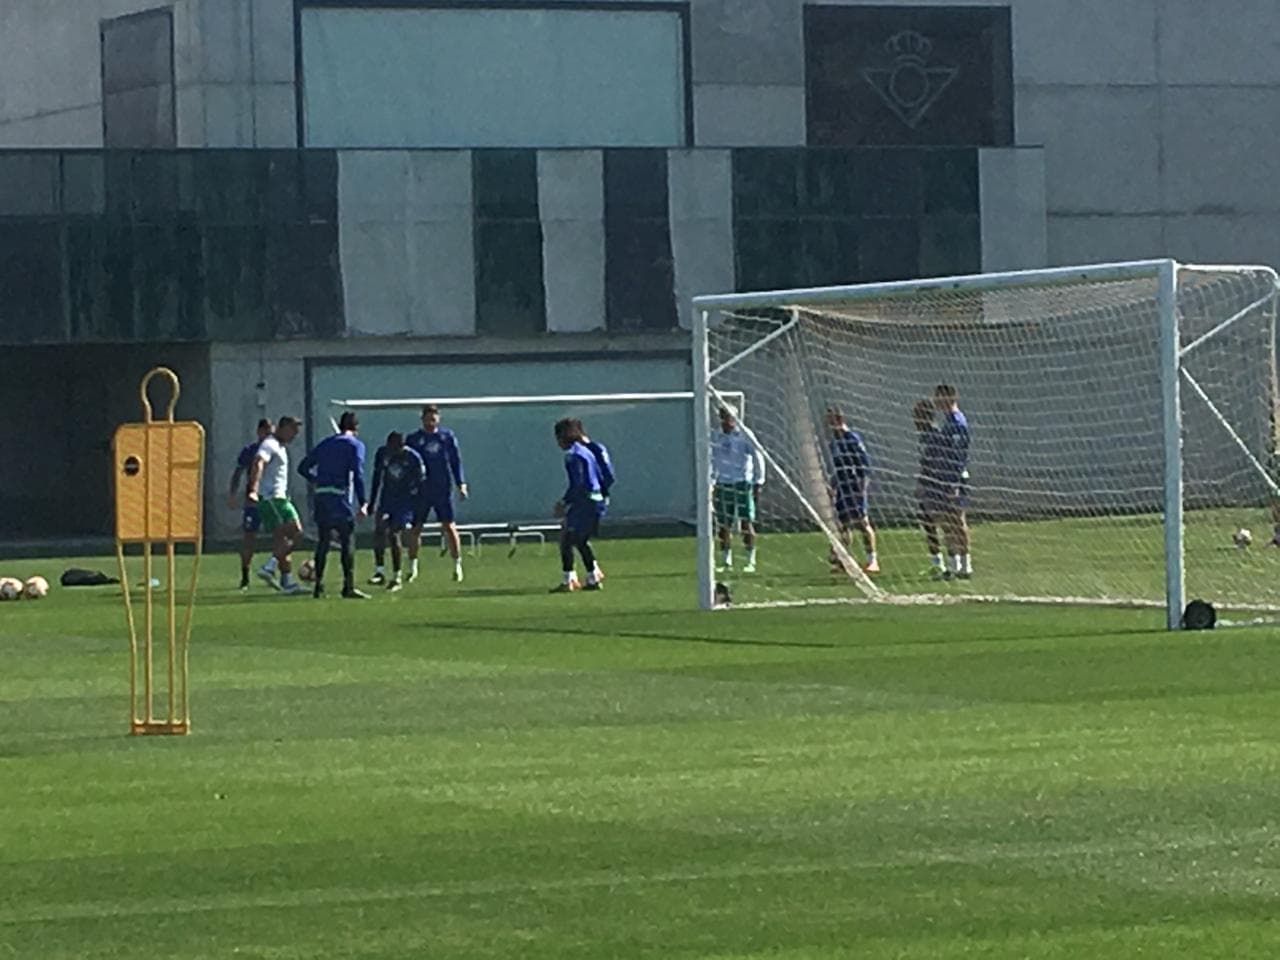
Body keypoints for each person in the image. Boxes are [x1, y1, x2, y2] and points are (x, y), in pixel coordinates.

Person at [297, 411, 369, 599]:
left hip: (321, 496)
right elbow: (358, 474)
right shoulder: (355, 446)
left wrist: (317, 480)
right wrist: (363, 502)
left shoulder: (326, 443)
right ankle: (348, 586)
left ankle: (318, 586)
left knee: (324, 541)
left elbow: (303, 467)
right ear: (357, 428)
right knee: (347, 541)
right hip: (339, 496)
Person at [406, 405, 468, 583]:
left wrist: (460, 483)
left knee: (449, 526)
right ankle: (412, 567)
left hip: (442, 488)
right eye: (428, 418)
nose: (431, 422)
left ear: (438, 419)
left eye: (434, 419)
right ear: (422, 419)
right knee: (416, 528)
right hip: (422, 490)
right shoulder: (414, 439)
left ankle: (457, 565)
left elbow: (455, 461)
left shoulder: (446, 437)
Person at [245, 415, 305, 595]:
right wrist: (253, 489)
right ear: (284, 427)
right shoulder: (270, 444)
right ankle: (269, 566)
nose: (295, 434)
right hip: (273, 499)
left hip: (277, 498)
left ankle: (286, 581)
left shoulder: (280, 446)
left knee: (281, 540)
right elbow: (258, 462)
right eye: (293, 430)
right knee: (298, 533)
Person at [552, 418, 607, 592]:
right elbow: (600, 476)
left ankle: (569, 579)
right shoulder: (587, 452)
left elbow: (578, 483)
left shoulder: (573, 456)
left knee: (568, 537)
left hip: (585, 501)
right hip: (595, 499)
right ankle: (592, 576)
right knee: (579, 539)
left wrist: (565, 502)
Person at [711, 406, 765, 573]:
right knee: (723, 524)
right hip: (723, 483)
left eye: (727, 417)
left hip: (742, 482)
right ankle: (726, 560)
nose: (724, 421)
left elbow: (758, 455)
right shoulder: (715, 435)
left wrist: (758, 480)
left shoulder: (744, 434)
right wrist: (710, 481)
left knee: (745, 522)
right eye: (722, 417)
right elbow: (710, 458)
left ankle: (750, 560)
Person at [825, 408, 877, 574]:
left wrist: (862, 487)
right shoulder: (835, 442)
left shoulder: (852, 438)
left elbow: (864, 465)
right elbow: (839, 468)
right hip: (842, 488)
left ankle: (872, 560)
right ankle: (843, 560)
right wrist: (832, 485)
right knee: (843, 525)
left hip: (855, 487)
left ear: (839, 419)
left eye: (831, 420)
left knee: (863, 523)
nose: (828, 425)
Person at [372, 432, 426, 591]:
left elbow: (421, 485)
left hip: (404, 502)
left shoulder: (413, 458)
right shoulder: (382, 453)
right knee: (379, 530)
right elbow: (377, 477)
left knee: (394, 533)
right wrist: (372, 501)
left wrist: (418, 511)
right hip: (387, 499)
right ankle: (379, 571)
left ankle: (396, 576)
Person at [227, 418, 273, 591]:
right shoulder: (250, 451)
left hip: (271, 500)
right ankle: (245, 577)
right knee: (249, 540)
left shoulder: (275, 449)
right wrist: (232, 494)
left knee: (282, 534)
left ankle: (278, 572)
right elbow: (237, 473)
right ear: (259, 432)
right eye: (267, 433)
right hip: (253, 502)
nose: (269, 437)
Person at [933, 384, 973, 579]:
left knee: (957, 520)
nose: (936, 401)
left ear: (949, 397)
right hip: (945, 480)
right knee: (947, 521)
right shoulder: (948, 421)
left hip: (954, 480)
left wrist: (953, 483)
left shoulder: (956, 422)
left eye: (939, 397)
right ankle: (953, 566)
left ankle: (965, 565)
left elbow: (958, 456)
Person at [574, 418, 614, 584]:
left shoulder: (592, 450)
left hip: (591, 499)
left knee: (575, 536)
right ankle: (591, 572)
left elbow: (609, 476)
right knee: (575, 537)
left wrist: (601, 493)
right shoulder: (588, 450)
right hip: (587, 498)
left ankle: (588, 574)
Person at [913, 398, 947, 578]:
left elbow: (938, 463)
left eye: (917, 416)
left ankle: (953, 564)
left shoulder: (935, 436)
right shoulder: (923, 437)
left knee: (945, 524)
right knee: (928, 524)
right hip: (926, 487)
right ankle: (937, 564)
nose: (914, 421)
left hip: (937, 487)